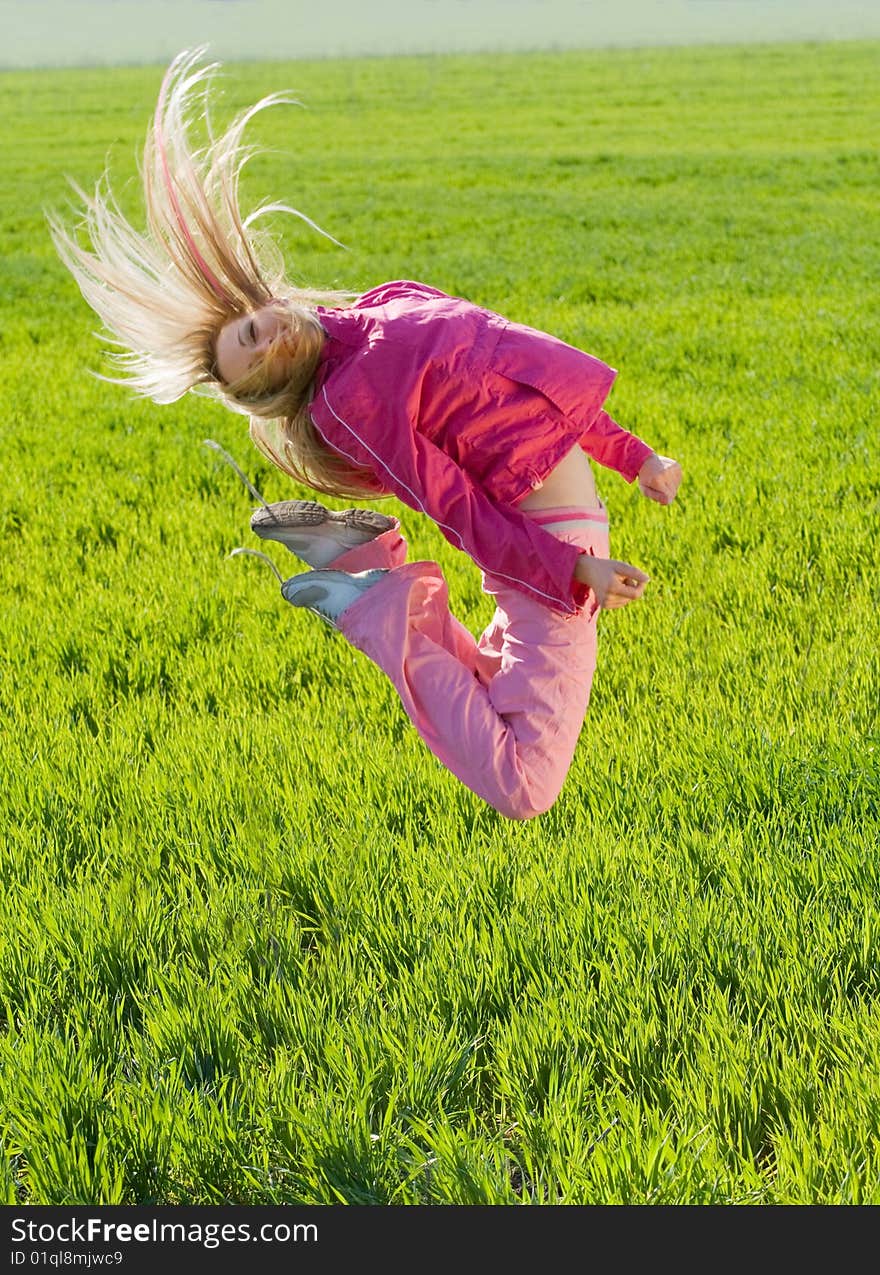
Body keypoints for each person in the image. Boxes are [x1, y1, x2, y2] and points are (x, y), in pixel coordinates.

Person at [50, 48, 682, 820]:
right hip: (548, 543)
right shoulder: (350, 397)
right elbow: (455, 505)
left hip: (556, 537)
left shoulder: (386, 305)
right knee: (525, 784)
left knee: (488, 684)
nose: (265, 340)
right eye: (257, 366)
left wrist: (635, 455)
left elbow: (535, 386)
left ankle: (358, 569)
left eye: (249, 330)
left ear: (263, 300)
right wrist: (571, 571)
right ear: (277, 389)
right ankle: (368, 598)